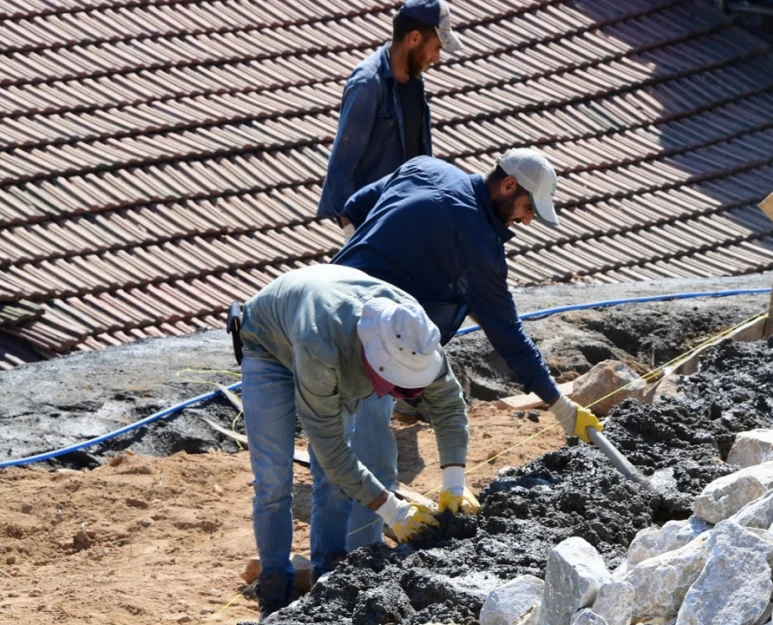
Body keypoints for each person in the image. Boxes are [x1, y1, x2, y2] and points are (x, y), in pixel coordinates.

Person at [329, 148, 603, 549]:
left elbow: (352, 208)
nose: (527, 219)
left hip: (333, 310)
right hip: (378, 350)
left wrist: (361, 267)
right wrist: (559, 406)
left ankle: (330, 556)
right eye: (528, 207)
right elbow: (510, 338)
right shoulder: (477, 247)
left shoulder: (427, 167)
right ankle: (358, 562)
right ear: (508, 185)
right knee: (374, 458)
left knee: (337, 442)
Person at [232, 264, 480, 620]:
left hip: (326, 333)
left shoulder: (412, 330)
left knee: (334, 484)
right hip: (269, 346)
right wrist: (393, 511)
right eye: (398, 386)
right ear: (375, 364)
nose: (402, 396)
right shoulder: (324, 348)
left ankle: (330, 578)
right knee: (273, 480)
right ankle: (275, 586)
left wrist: (455, 483)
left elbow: (448, 403)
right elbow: (332, 450)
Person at [317, 0, 462, 237]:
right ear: (414, 38)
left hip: (405, 221)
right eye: (436, 47)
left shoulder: (414, 82)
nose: (437, 58)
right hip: (371, 225)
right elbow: (341, 168)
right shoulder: (367, 84)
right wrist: (352, 232)